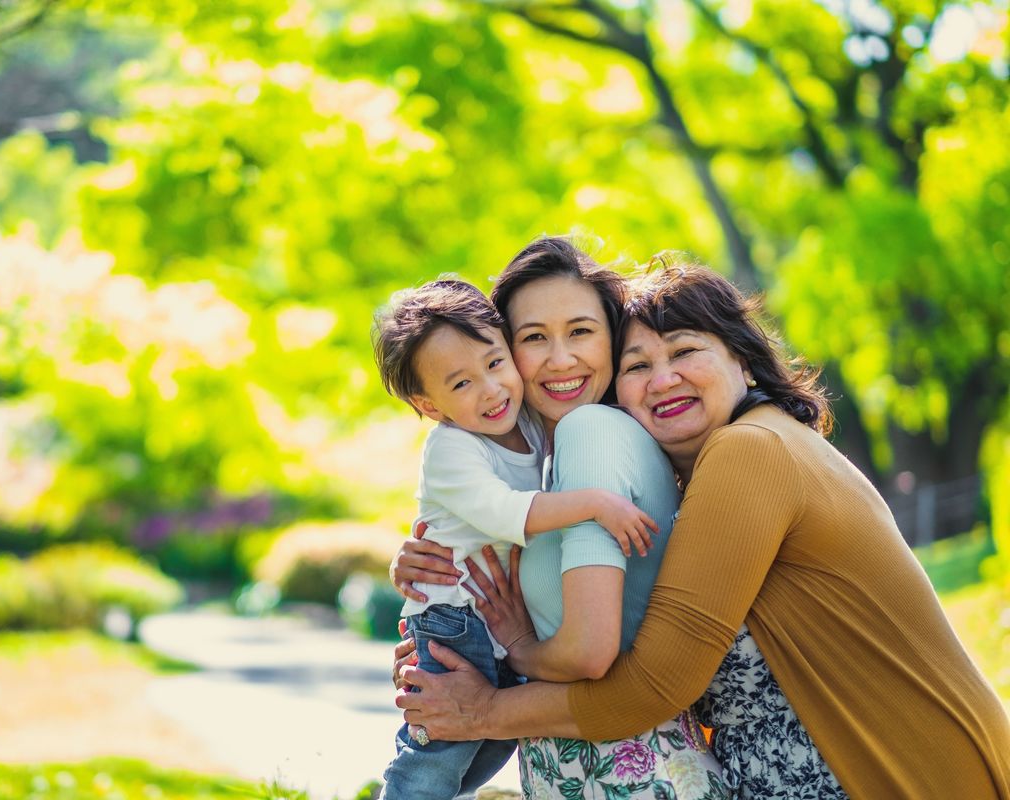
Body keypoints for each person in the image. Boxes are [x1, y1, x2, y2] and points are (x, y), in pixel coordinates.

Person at [392, 255, 1010, 799]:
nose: (662, 379)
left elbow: (651, 685)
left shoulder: (751, 452)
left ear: (743, 358)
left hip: (894, 775)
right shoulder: (680, 473)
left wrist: (481, 711)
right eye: (639, 364)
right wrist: (447, 603)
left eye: (686, 352)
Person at [382, 245, 726, 798]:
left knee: (435, 763)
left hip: (626, 775)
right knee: (441, 761)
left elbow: (589, 653)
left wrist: (510, 651)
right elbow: (493, 511)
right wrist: (428, 565)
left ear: (613, 337)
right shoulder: (554, 442)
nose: (560, 360)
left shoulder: (589, 431)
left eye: (582, 331)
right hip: (591, 768)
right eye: (534, 337)